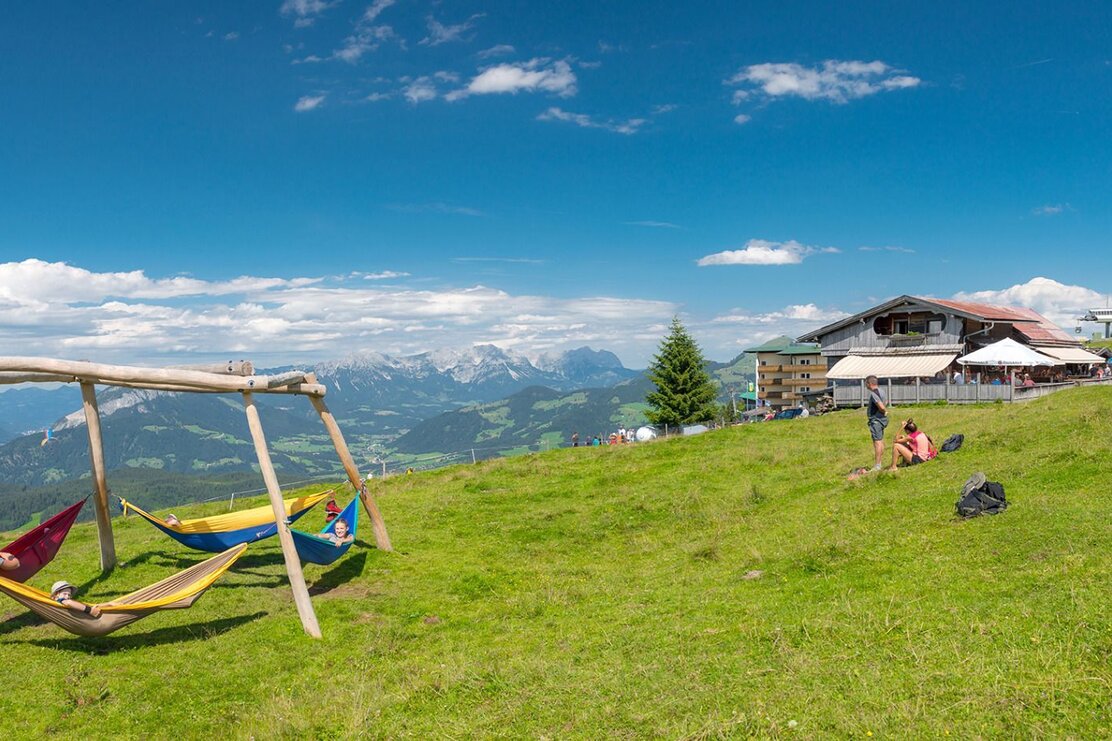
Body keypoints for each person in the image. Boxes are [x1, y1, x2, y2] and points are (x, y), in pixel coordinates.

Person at [865, 375, 888, 471]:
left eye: (866, 383)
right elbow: (886, 401)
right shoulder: (882, 391)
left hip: (876, 421)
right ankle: (879, 463)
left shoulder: (874, 394)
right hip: (882, 420)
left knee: (877, 442)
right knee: (880, 440)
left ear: (869, 384)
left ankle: (877, 465)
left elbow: (882, 406)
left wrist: (883, 411)